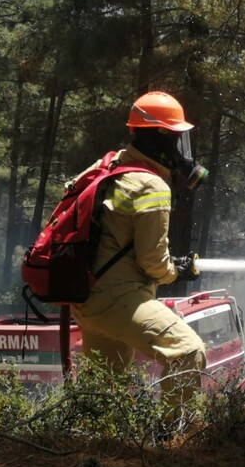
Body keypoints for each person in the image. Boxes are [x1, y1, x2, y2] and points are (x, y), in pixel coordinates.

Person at [70, 91, 207, 432]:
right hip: (120, 299)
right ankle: (173, 439)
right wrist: (176, 270)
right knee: (187, 351)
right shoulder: (152, 185)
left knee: (108, 388)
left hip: (87, 297)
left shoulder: (111, 164)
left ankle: (97, 449)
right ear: (161, 138)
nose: (182, 149)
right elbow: (152, 263)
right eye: (178, 138)